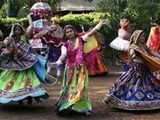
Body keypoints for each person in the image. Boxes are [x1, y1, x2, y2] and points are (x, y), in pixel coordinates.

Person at [55, 20, 109, 115]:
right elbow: (63, 55)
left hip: (81, 69)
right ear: (65, 34)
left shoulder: (81, 39)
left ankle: (83, 109)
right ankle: (70, 105)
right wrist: (59, 60)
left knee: (82, 88)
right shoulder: (64, 45)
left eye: (71, 31)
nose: (69, 33)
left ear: (74, 31)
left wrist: (101, 24)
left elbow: (92, 32)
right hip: (70, 70)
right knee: (69, 88)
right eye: (67, 32)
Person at [105, 30, 160, 110]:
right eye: (141, 36)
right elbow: (133, 56)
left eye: (144, 36)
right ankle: (127, 102)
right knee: (128, 83)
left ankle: (148, 101)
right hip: (136, 69)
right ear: (136, 37)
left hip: (145, 69)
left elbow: (152, 53)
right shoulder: (133, 47)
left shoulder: (144, 46)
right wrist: (137, 56)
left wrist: (158, 56)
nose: (143, 38)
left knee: (150, 84)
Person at [0, 23, 49, 104]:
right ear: (13, 31)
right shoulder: (10, 40)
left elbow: (29, 50)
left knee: (29, 83)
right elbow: (7, 48)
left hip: (27, 65)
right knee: (13, 82)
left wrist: (33, 57)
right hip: (15, 65)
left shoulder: (24, 41)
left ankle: (29, 97)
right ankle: (19, 99)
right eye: (15, 29)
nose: (17, 31)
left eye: (19, 29)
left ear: (21, 31)